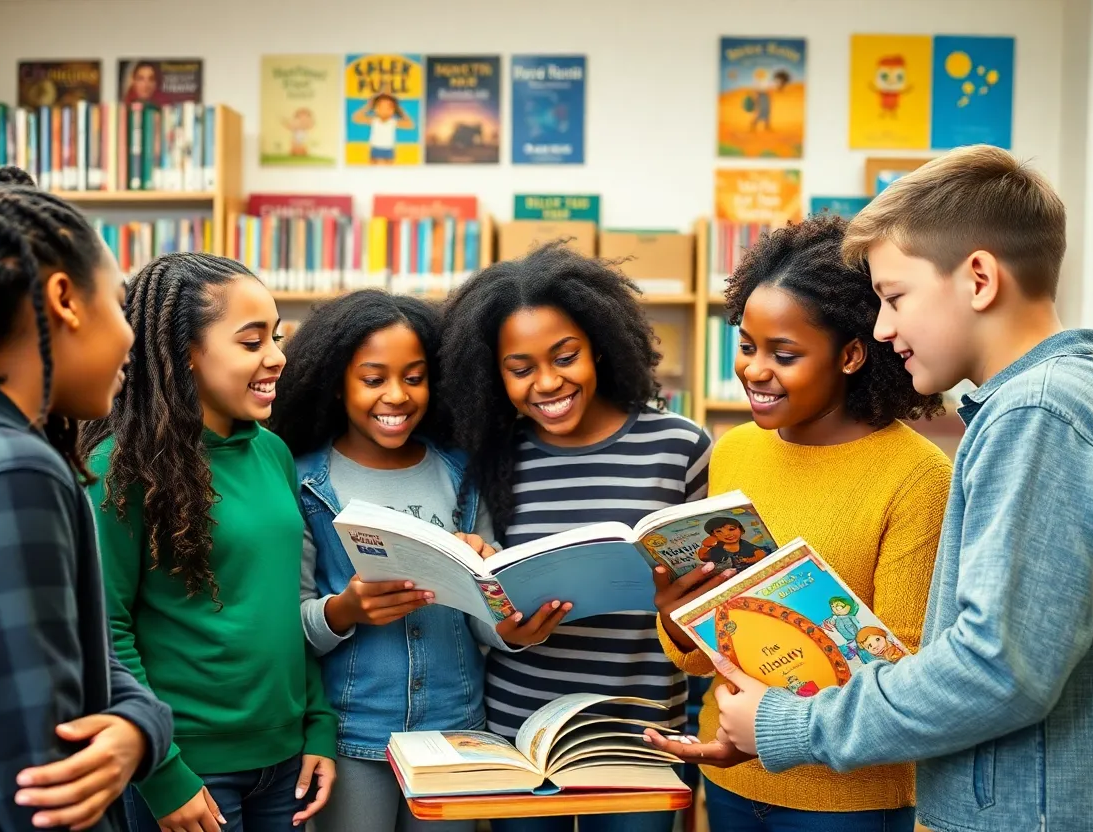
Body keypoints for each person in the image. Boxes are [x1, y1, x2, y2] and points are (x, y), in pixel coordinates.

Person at [708, 146, 1093, 832]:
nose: (881, 328)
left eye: (894, 296)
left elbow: (997, 669)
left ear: (980, 279)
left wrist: (792, 723)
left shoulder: (1038, 415)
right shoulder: (1058, 400)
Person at [644, 214, 952, 832]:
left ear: (851, 354)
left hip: (847, 800)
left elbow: (909, 670)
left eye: (784, 354)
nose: (755, 370)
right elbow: (711, 653)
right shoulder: (733, 450)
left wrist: (775, 729)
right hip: (728, 773)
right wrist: (680, 622)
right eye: (747, 345)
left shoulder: (918, 477)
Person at [0, 167, 172, 831]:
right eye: (119, 303)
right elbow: (44, 789)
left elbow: (84, 659)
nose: (131, 336)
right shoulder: (6, 475)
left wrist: (141, 725)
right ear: (64, 299)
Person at [438, 243, 713, 832]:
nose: (547, 382)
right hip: (519, 729)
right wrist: (503, 630)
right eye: (520, 368)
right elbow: (480, 589)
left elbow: (711, 596)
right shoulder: (493, 457)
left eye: (566, 357)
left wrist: (679, 611)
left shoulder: (681, 447)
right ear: (494, 373)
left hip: (640, 730)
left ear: (599, 346)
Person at [269, 290, 561, 832]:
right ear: (338, 383)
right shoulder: (306, 480)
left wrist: (514, 629)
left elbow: (485, 611)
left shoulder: (461, 475)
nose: (396, 396)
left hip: (455, 730)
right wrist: (346, 611)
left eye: (415, 376)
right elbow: (291, 624)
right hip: (352, 730)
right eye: (373, 379)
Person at [78, 253, 337, 832]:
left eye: (275, 336)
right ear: (184, 353)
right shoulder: (120, 469)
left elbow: (283, 603)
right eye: (251, 343)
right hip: (187, 768)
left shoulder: (272, 453)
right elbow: (104, 633)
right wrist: (162, 774)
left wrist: (317, 725)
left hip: (285, 762)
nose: (277, 357)